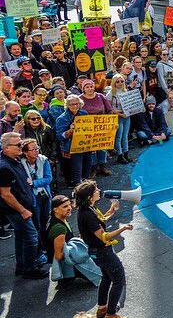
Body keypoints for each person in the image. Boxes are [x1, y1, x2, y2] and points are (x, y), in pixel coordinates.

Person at [74, 180, 130, 318]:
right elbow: (104, 236)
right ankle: (111, 315)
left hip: (96, 252)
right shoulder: (88, 214)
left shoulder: (87, 209)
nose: (99, 190)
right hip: (103, 251)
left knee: (106, 278)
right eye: (96, 190)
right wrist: (123, 229)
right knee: (118, 279)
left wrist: (112, 210)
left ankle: (102, 308)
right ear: (90, 196)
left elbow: (100, 222)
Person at [0, 132, 48, 278]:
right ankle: (30, 269)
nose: (22, 146)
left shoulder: (15, 159)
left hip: (25, 206)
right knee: (31, 237)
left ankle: (22, 267)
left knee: (21, 237)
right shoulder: (4, 167)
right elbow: (5, 194)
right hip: (17, 210)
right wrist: (23, 210)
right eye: (18, 145)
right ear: (7, 148)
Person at [47, 194, 102, 285]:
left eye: (69, 205)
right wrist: (77, 254)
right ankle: (68, 276)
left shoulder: (60, 219)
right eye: (65, 206)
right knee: (99, 274)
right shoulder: (59, 228)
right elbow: (58, 255)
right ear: (55, 210)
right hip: (68, 261)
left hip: (69, 253)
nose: (69, 208)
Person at [55, 95, 92, 186]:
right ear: (67, 105)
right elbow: (60, 136)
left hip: (85, 145)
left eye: (77, 104)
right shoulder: (62, 118)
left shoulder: (84, 113)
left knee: (87, 167)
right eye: (72, 104)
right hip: (72, 147)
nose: (75, 106)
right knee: (77, 169)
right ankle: (78, 189)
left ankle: (87, 187)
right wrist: (70, 130)